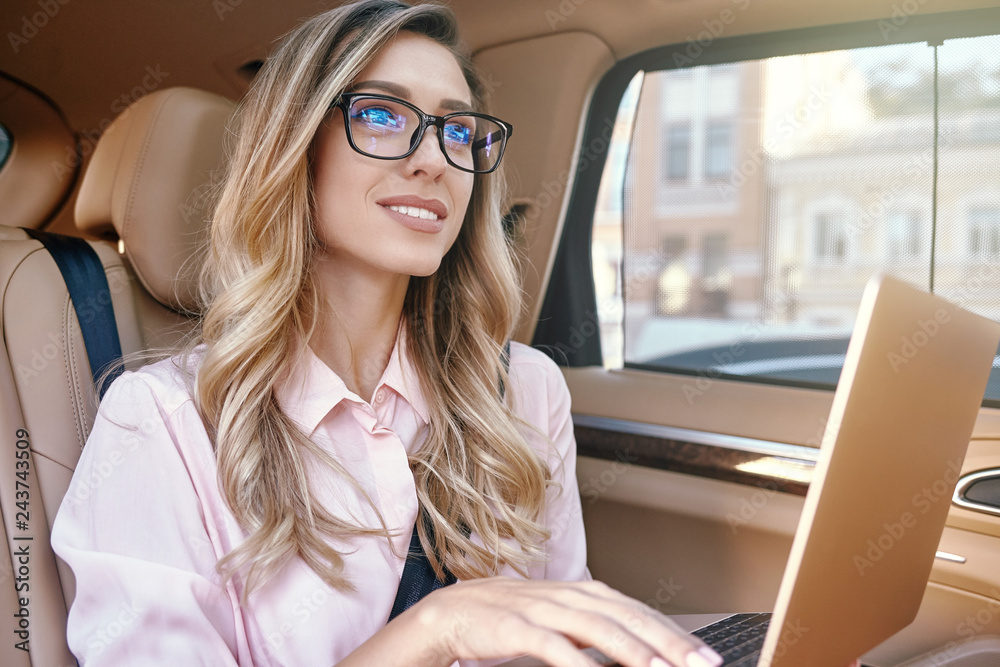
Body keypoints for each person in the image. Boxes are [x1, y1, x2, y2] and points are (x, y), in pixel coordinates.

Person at [49, 2, 849, 666]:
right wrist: (435, 629)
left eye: (458, 131)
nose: (435, 159)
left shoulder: (524, 390)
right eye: (382, 115)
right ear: (295, 151)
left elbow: (557, 637)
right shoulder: (160, 423)